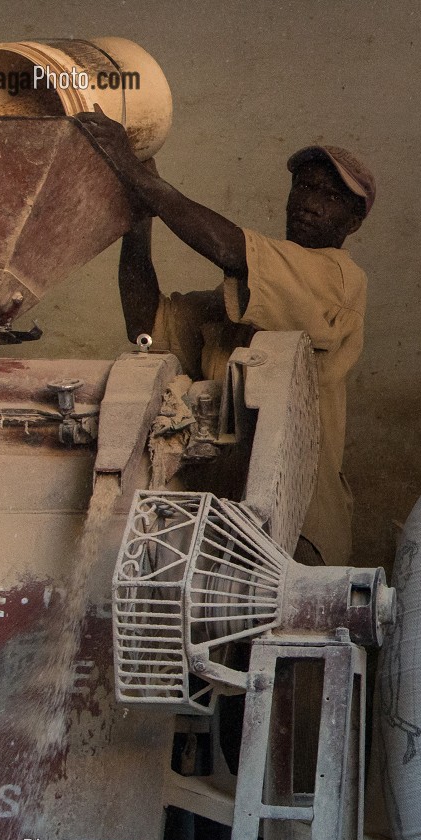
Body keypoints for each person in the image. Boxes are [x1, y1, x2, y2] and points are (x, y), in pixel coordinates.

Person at [77, 106, 374, 566]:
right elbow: (146, 326)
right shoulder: (246, 297)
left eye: (330, 196)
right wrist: (137, 218)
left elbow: (231, 249)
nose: (309, 202)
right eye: (303, 187)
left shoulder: (338, 278)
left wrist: (138, 176)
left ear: (353, 222)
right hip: (229, 528)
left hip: (299, 529)